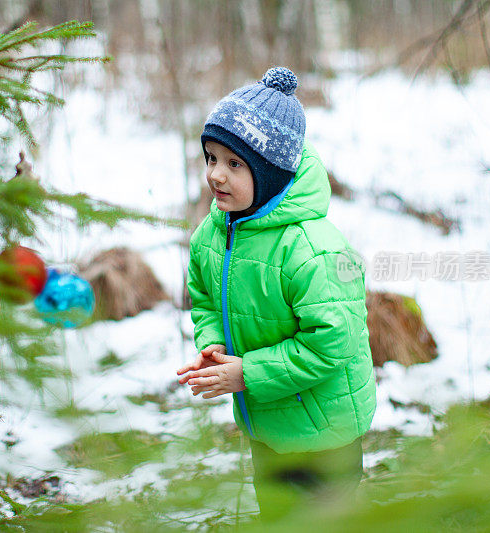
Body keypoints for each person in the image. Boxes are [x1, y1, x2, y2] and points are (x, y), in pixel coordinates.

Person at [176, 67, 376, 522]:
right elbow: (205, 297)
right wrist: (215, 342)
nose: (216, 176)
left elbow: (332, 344)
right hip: (267, 423)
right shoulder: (212, 235)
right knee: (278, 514)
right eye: (211, 158)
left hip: (325, 428)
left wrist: (248, 373)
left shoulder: (313, 248)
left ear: (270, 174)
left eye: (235, 164)